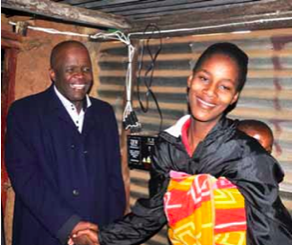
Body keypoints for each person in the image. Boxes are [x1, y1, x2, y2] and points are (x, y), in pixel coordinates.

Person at [71, 42, 291, 245]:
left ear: (234, 97)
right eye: (204, 78)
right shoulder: (167, 147)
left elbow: (271, 230)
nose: (210, 92)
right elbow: (155, 212)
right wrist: (103, 237)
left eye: (224, 87)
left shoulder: (248, 157)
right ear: (190, 79)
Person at [4, 40, 126, 245]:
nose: (80, 75)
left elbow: (114, 175)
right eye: (70, 69)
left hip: (96, 233)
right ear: (53, 74)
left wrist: (108, 228)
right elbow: (25, 178)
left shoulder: (103, 113)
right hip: (45, 233)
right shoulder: (25, 112)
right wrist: (70, 225)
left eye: (86, 69)